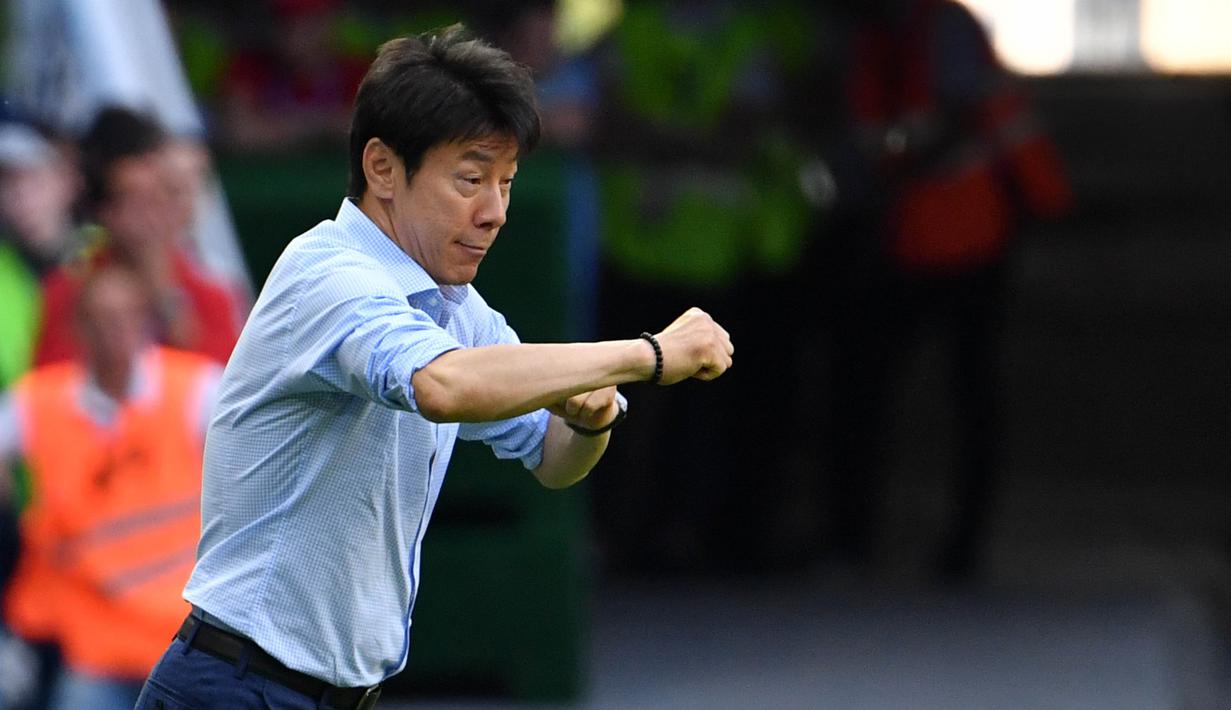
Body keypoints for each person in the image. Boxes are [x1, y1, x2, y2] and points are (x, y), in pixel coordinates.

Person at [136, 25, 732, 710]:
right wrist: (649, 356)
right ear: (383, 168)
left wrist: (591, 420)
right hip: (235, 689)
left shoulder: (453, 304)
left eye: (507, 183)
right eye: (471, 179)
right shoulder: (328, 273)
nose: (495, 213)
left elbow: (553, 458)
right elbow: (446, 387)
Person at [819, 0, 1069, 576]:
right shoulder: (873, 37)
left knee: (968, 392)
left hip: (968, 239)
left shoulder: (943, 28)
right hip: (904, 242)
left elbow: (955, 119)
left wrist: (889, 169)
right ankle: (852, 536)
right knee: (864, 386)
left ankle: (962, 543)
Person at [1, 264, 221, 710]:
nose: (112, 332)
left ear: (144, 321)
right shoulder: (40, 402)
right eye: (100, 319)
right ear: (78, 327)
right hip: (91, 649)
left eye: (123, 317)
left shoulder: (195, 389)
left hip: (181, 640)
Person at [34, 106, 242, 368]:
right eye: (137, 202)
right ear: (105, 212)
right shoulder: (65, 293)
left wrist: (163, 295)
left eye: (164, 197)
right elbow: (53, 386)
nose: (155, 217)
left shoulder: (213, 296)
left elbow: (218, 387)